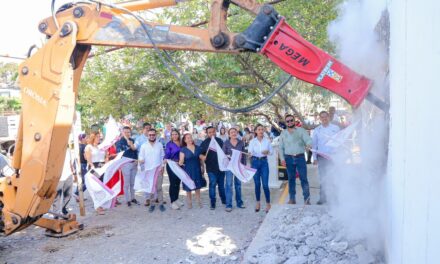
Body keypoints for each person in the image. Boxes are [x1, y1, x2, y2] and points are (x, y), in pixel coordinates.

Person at [279, 114, 313, 205]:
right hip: (288, 158)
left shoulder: (301, 131)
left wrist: (309, 144)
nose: (290, 122)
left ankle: (307, 199)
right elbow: (280, 148)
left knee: (303, 179)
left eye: (291, 120)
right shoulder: (283, 133)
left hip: (300, 157)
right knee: (291, 179)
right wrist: (282, 159)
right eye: (288, 121)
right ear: (286, 123)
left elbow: (308, 139)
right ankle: (292, 199)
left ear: (294, 121)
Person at [312, 111, 340, 204]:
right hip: (322, 157)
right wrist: (315, 158)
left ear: (329, 117)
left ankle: (335, 197)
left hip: (333, 157)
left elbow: (339, 143)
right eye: (322, 117)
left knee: (334, 177)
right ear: (320, 119)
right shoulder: (317, 130)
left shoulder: (336, 128)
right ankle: (323, 198)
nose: (324, 119)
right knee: (323, 178)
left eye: (325, 117)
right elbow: (314, 145)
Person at [138, 128, 166, 213]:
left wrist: (163, 167)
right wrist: (141, 161)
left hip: (158, 169)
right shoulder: (144, 146)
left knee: (159, 188)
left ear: (156, 135)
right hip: (148, 171)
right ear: (147, 135)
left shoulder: (160, 145)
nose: (152, 136)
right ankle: (152, 204)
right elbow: (140, 157)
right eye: (150, 135)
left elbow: (162, 157)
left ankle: (161, 204)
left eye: (153, 135)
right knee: (151, 188)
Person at [200, 126, 226, 210]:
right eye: (209, 132)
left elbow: (224, 152)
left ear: (215, 132)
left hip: (221, 167)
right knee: (212, 184)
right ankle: (213, 202)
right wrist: (202, 156)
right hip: (211, 167)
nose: (212, 133)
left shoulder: (220, 141)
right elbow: (200, 153)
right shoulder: (204, 143)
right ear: (207, 133)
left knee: (221, 185)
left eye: (213, 132)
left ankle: (223, 199)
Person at [248, 124, 272, 213]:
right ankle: (258, 202)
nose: (261, 131)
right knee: (257, 184)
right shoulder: (252, 141)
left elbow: (271, 152)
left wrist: (268, 151)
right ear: (255, 131)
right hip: (254, 163)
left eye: (262, 129)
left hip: (264, 163)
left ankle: (268, 204)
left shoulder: (267, 141)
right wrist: (250, 153)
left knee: (265, 185)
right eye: (259, 129)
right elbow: (249, 152)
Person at [179, 133, 205, 209]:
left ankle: (198, 200)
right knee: (188, 186)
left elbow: (201, 159)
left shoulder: (198, 148)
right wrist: (179, 162)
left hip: (197, 169)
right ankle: (189, 202)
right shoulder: (183, 149)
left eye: (191, 137)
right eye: (188, 138)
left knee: (197, 186)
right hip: (188, 170)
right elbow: (181, 161)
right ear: (185, 140)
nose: (190, 139)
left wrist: (203, 167)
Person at [222, 127, 246, 212]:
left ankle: (239, 203)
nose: (233, 133)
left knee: (238, 185)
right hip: (229, 167)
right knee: (229, 185)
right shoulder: (226, 143)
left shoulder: (241, 143)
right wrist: (228, 157)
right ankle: (229, 205)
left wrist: (244, 166)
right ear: (229, 134)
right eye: (231, 132)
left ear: (237, 133)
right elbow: (223, 156)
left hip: (239, 166)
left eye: (235, 132)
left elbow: (243, 155)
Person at [116, 126, 138, 207]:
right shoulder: (119, 142)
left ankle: (133, 198)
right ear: (122, 133)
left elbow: (135, 151)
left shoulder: (132, 140)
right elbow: (119, 154)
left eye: (128, 132)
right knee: (127, 183)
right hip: (126, 164)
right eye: (125, 132)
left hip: (134, 163)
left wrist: (136, 159)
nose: (127, 134)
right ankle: (127, 199)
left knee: (133, 183)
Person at [52, 148, 74, 217]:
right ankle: (56, 214)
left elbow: (70, 161)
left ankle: (64, 210)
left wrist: (73, 171)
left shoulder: (68, 150)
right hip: (58, 176)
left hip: (68, 174)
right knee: (57, 196)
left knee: (68, 194)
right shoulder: (54, 150)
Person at [165, 129, 183, 210]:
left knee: (178, 183)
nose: (174, 136)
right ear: (171, 136)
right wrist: (165, 159)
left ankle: (176, 199)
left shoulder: (182, 143)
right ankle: (172, 202)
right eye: (173, 134)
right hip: (171, 165)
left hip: (180, 165)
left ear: (178, 135)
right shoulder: (169, 144)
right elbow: (167, 154)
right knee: (173, 183)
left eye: (176, 134)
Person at [74, 133, 88, 199]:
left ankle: (78, 196)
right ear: (82, 139)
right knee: (86, 182)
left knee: (80, 180)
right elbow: (86, 157)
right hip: (83, 165)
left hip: (78, 164)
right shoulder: (84, 146)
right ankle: (77, 193)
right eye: (86, 138)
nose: (87, 139)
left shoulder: (77, 146)